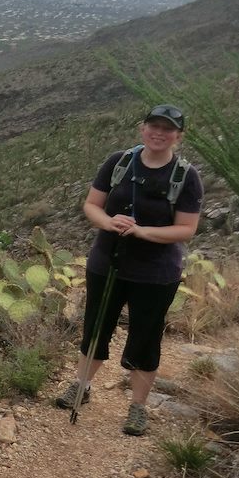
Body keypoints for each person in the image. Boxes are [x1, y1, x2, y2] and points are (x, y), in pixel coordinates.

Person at [55, 104, 204, 435]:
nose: (159, 133)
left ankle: (138, 407)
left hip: (156, 272)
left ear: (178, 136)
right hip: (106, 264)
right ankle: (82, 386)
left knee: (145, 339)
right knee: (95, 329)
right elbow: (92, 205)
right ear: (143, 128)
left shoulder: (185, 176)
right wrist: (109, 222)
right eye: (154, 125)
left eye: (167, 129)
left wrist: (141, 231)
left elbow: (186, 229)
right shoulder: (119, 162)